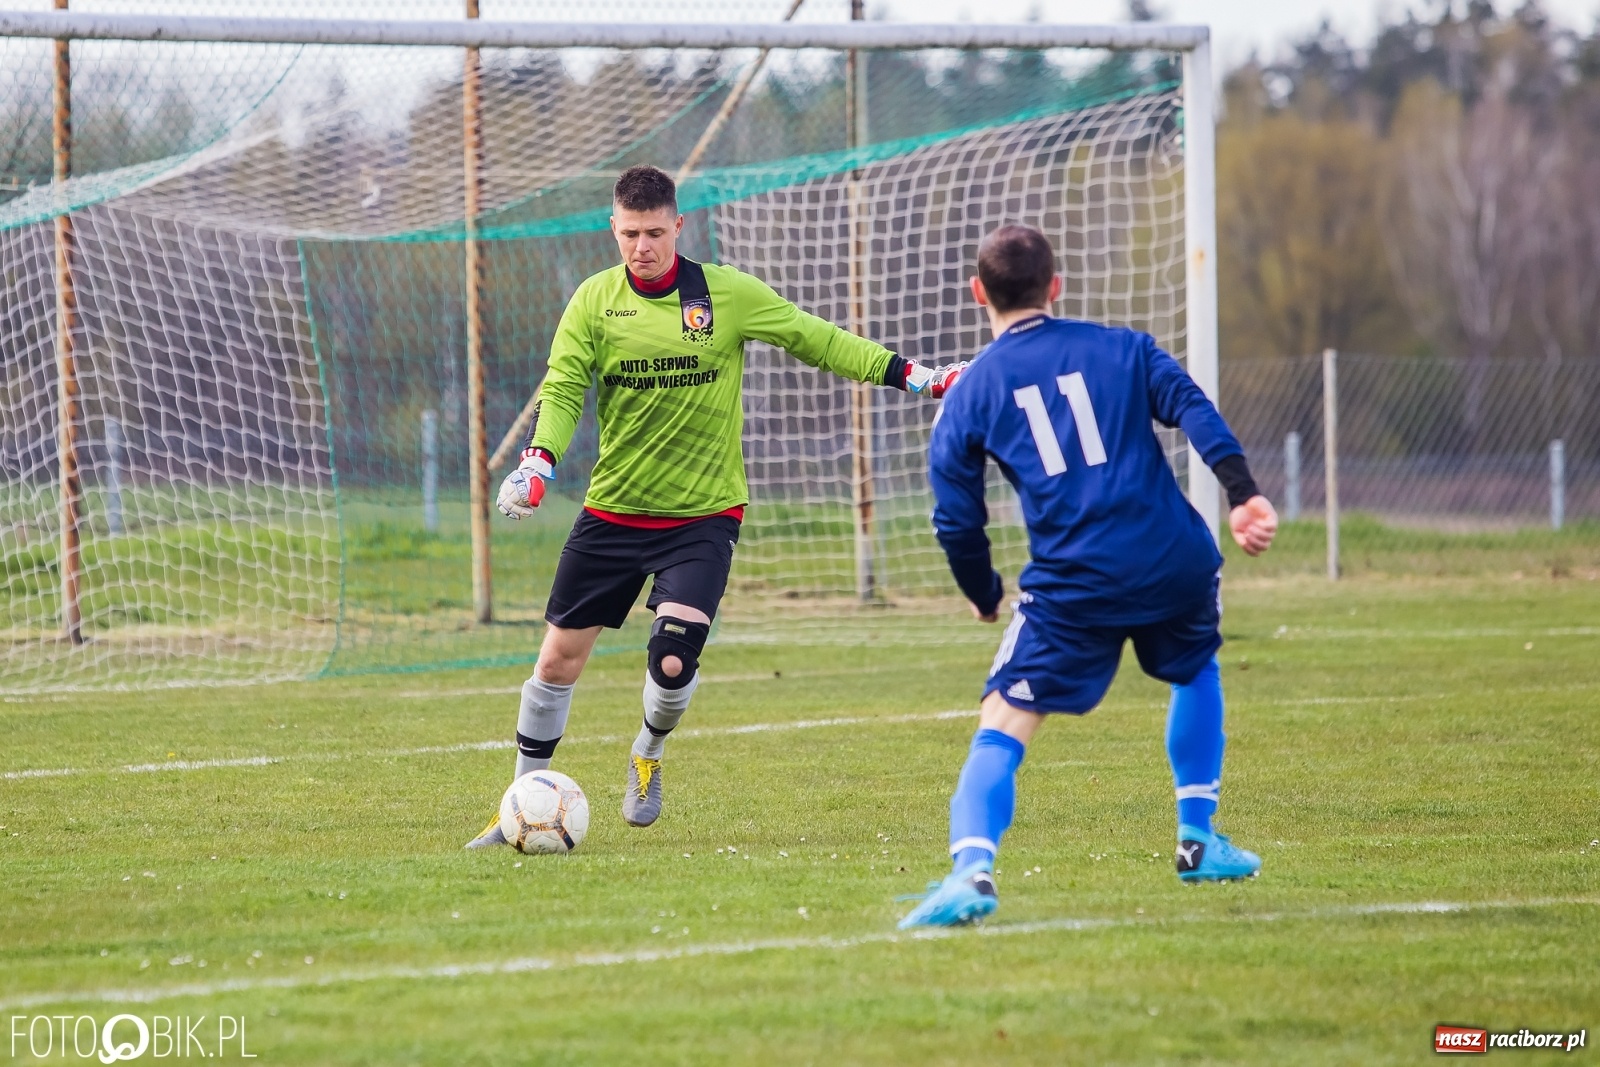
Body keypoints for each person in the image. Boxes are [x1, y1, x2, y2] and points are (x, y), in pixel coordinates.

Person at [468, 164, 960, 847]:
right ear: (613, 229)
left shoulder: (724, 294)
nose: (641, 246)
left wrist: (920, 378)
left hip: (703, 515)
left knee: (672, 659)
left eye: (654, 233)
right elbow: (563, 387)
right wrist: (537, 462)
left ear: (679, 226)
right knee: (554, 665)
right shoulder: (593, 301)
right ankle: (513, 810)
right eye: (629, 234)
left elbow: (817, 339)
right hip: (614, 511)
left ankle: (647, 753)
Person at [897, 223, 1278, 926]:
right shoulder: (1126, 349)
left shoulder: (971, 393)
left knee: (1003, 721)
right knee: (1195, 668)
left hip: (1075, 582)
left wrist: (983, 593)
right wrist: (1242, 493)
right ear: (1056, 285)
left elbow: (956, 519)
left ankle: (971, 871)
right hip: (1174, 560)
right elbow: (1194, 409)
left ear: (978, 292)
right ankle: (1197, 837)